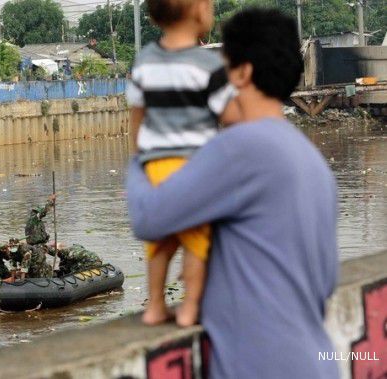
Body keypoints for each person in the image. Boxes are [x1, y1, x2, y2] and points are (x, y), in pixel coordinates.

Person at [127, 8, 338, 378]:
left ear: (241, 72)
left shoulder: (240, 147)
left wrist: (141, 156)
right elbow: (324, 282)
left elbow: (149, 217)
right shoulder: (312, 161)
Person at [126, 0, 240, 327]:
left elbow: (136, 119)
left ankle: (155, 307)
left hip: (156, 167)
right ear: (198, 10)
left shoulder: (144, 61)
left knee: (160, 240)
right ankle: (190, 307)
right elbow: (230, 116)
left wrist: (139, 161)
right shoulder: (207, 64)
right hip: (196, 169)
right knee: (198, 239)